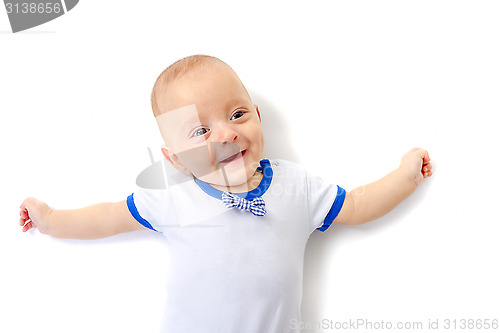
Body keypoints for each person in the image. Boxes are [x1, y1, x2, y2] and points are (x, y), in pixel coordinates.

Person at [19, 55, 433, 332]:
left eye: (236, 114)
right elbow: (107, 217)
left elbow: (357, 205)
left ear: (256, 116)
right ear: (177, 159)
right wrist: (51, 218)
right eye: (200, 132)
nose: (226, 133)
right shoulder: (173, 196)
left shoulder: (296, 186)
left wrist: (404, 176)